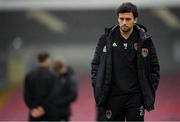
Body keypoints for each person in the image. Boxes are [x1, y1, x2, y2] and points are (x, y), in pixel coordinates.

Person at [91, 2, 160, 121]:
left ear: (135, 19)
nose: (124, 22)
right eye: (121, 18)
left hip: (135, 97)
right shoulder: (106, 39)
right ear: (117, 19)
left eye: (128, 19)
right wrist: (98, 86)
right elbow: (95, 65)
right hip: (112, 97)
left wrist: (148, 89)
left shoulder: (145, 40)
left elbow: (154, 67)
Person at [24, 52, 56, 121]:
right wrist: (43, 108)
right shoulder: (52, 75)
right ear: (47, 60)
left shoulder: (29, 75)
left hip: (34, 113)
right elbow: (53, 94)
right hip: (49, 113)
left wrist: (33, 108)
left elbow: (26, 95)